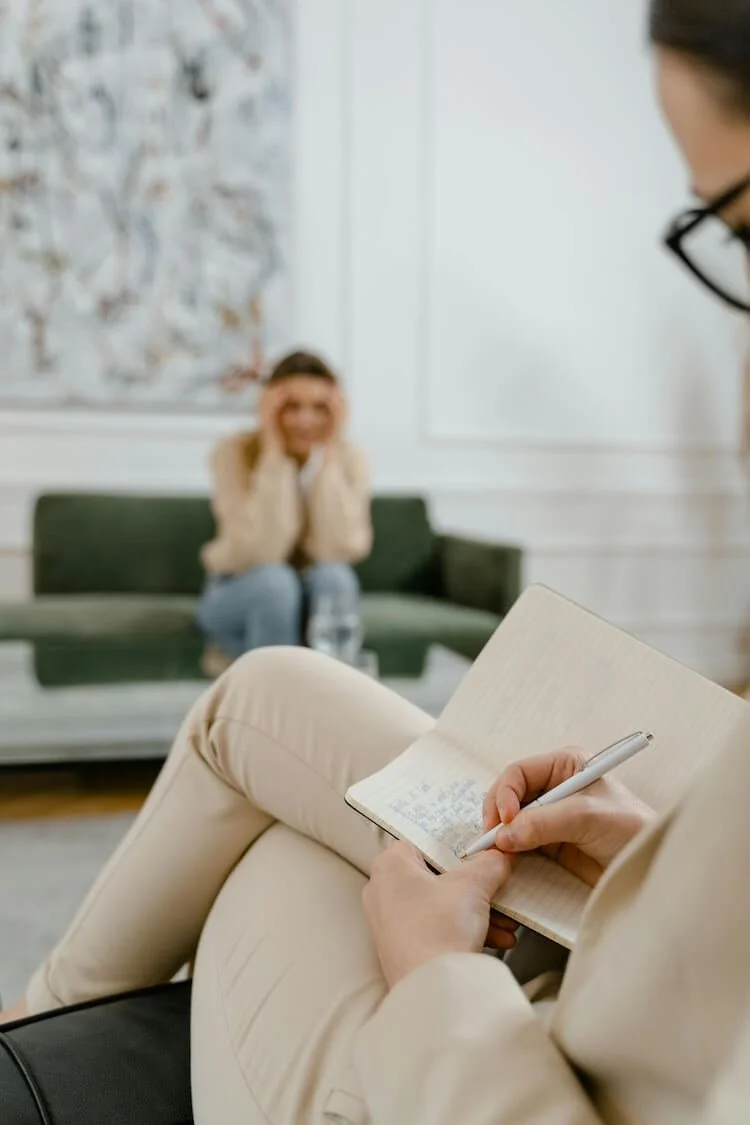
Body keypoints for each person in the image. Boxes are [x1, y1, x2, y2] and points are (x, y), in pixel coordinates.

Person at [3, 2, 750, 1121]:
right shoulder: (237, 453)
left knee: (296, 830)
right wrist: (654, 856)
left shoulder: (340, 454)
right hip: (597, 984)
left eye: (732, 228)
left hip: (494, 1078)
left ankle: (29, 1043)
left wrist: (437, 974)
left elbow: (342, 547)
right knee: (269, 665)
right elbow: (251, 547)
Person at [196, 350, 371, 660]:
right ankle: (275, 700)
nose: (306, 420)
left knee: (336, 577)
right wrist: (273, 453)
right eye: (291, 407)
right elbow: (264, 552)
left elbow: (340, 549)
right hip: (237, 591)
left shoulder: (349, 459)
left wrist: (329, 458)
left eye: (320, 408)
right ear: (267, 408)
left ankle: (334, 697)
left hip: (309, 593)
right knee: (275, 582)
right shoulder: (232, 453)